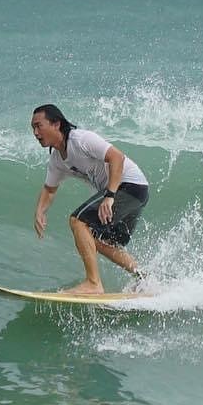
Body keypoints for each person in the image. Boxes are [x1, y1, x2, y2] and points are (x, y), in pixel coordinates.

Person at [30, 104, 150, 294]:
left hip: (129, 185)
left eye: (39, 126)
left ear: (56, 124)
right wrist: (39, 211)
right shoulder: (57, 160)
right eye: (33, 128)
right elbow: (49, 189)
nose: (35, 132)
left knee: (78, 222)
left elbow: (116, 157)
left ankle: (93, 284)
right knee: (100, 240)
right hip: (137, 191)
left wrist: (110, 196)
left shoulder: (81, 140)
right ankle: (145, 278)